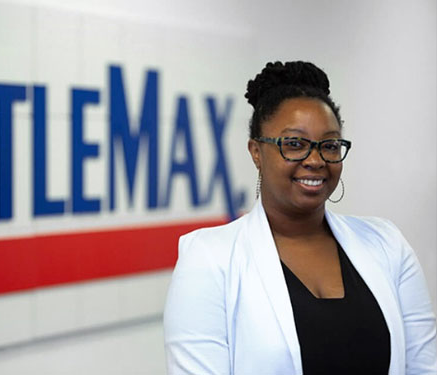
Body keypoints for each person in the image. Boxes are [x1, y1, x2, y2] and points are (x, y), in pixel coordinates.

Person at [163, 61, 437, 375]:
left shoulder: (387, 244)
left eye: (330, 145)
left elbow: (423, 367)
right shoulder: (210, 258)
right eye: (294, 144)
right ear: (256, 152)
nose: (316, 159)